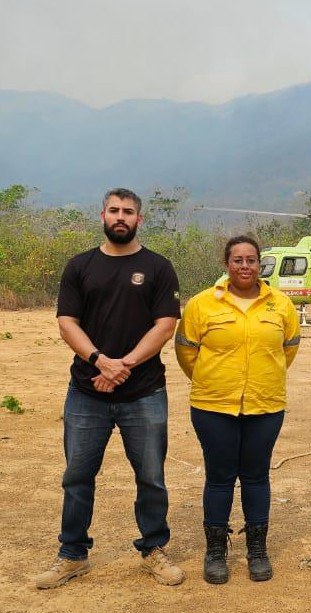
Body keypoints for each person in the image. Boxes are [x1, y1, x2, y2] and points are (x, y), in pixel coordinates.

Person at [35, 188, 184, 589]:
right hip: (87, 392)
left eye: (129, 212)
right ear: (102, 214)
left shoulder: (158, 267)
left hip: (145, 393)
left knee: (151, 476)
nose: (121, 217)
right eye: (114, 210)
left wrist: (125, 365)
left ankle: (153, 549)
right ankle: (72, 554)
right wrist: (101, 361)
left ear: (139, 219)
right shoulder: (80, 266)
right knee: (77, 476)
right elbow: (68, 322)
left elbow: (165, 325)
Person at [175, 235, 300, 584]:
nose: (244, 266)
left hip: (266, 403)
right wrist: (211, 378)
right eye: (237, 260)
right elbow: (186, 350)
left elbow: (288, 347)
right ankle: (215, 551)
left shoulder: (281, 305)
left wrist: (263, 374)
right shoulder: (202, 304)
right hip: (213, 404)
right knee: (219, 477)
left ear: (259, 264)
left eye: (251, 260)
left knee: (257, 475)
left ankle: (257, 550)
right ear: (226, 264)